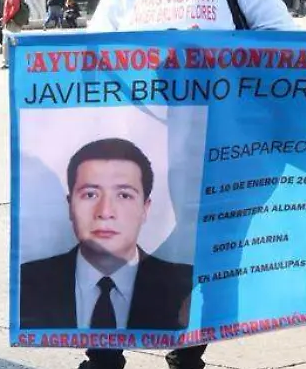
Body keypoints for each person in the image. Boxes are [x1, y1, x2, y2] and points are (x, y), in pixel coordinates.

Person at [44, 0, 294, 369]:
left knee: (191, 260)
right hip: (133, 146)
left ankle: (185, 367)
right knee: (111, 247)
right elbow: (96, 56)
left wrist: (210, 55)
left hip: (211, 149)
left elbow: (285, 46)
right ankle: (102, 364)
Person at [19, 139, 193, 331]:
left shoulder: (183, 285)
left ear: (145, 208)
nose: (105, 211)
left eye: (124, 195)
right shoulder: (28, 282)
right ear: (70, 206)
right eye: (90, 194)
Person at [0, 0, 25, 70]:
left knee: (7, 42)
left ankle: (7, 62)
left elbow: (15, 7)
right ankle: (16, 61)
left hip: (11, 22)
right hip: (14, 21)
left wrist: (7, 18)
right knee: (13, 41)